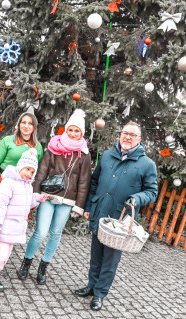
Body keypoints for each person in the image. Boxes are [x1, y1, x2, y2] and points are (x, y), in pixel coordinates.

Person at [74, 121, 158, 311]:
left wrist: (137, 198)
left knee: (110, 259)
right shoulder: (107, 156)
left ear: (139, 140)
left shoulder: (147, 164)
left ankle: (100, 294)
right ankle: (91, 286)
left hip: (120, 219)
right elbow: (94, 183)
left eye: (132, 135)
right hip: (100, 211)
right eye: (125, 133)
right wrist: (88, 206)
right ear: (120, 135)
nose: (127, 137)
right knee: (96, 254)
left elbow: (152, 192)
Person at [17, 109, 92, 284]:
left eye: (77, 131)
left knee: (56, 233)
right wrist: (35, 193)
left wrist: (79, 205)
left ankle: (43, 266)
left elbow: (84, 181)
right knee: (40, 232)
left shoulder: (84, 154)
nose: (73, 134)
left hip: (67, 200)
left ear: (82, 133)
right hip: (48, 197)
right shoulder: (53, 147)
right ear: (66, 129)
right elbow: (42, 170)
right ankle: (26, 262)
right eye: (70, 130)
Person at [0, 149, 48, 292]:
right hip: (5, 225)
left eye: (32, 172)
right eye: (27, 169)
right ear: (20, 166)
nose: (28, 174)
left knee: (6, 255)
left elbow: (27, 204)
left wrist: (37, 200)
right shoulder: (8, 182)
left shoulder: (27, 186)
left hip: (16, 228)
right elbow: (0, 205)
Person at [0, 112, 43, 252]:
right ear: (19, 124)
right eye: (23, 122)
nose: (26, 126)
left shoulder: (37, 148)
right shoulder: (7, 141)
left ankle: (3, 250)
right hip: (2, 183)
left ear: (34, 128)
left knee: (11, 219)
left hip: (20, 189)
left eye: (30, 124)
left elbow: (35, 171)